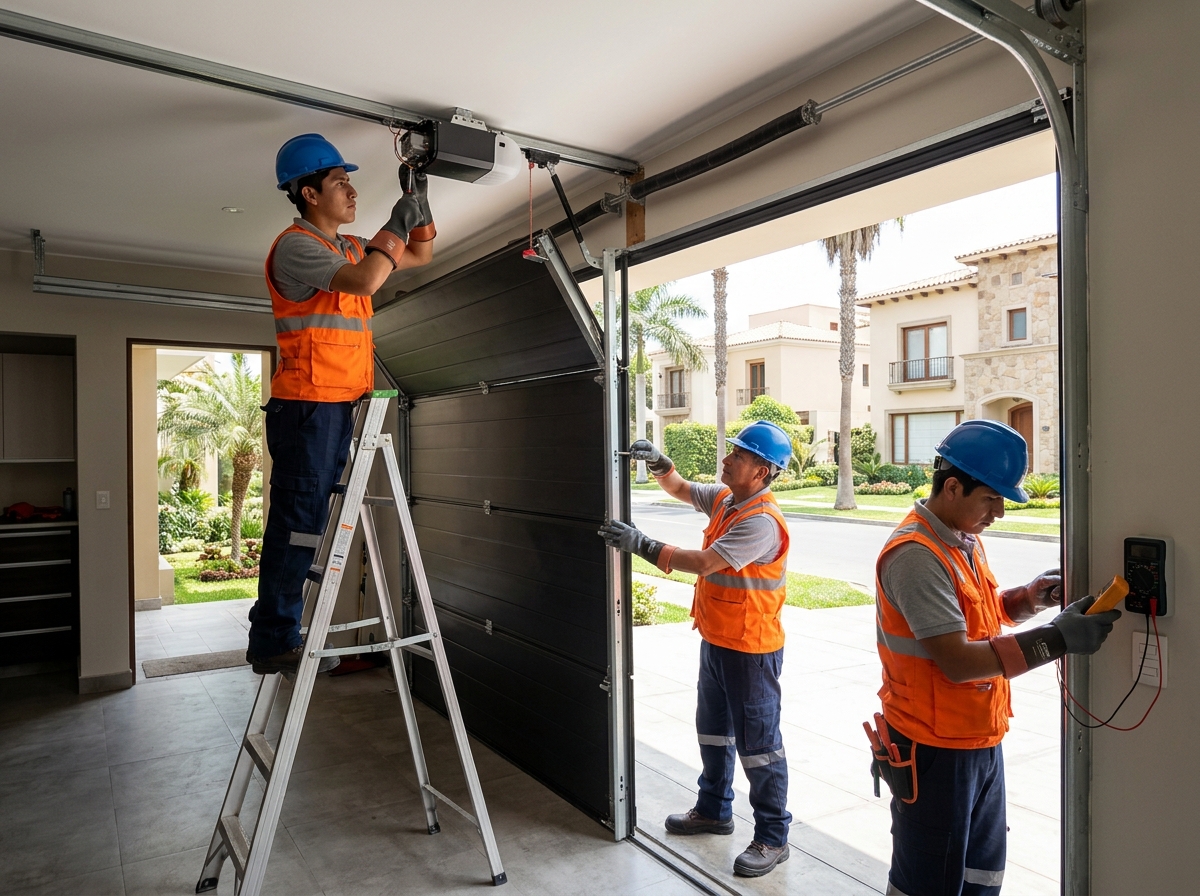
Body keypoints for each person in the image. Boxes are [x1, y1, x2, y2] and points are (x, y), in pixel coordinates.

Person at [871, 420, 1120, 895]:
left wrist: (1029, 598)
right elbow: (958, 660)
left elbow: (977, 617)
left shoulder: (960, 538)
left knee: (981, 874)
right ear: (952, 487)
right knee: (928, 881)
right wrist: (1057, 639)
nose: (1000, 512)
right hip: (932, 747)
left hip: (976, 737)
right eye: (991, 498)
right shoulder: (916, 555)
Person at [245, 133, 436, 675]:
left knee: (309, 520)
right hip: (307, 407)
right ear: (308, 194)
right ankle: (272, 639)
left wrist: (419, 206)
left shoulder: (350, 246)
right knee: (298, 523)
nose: (352, 191)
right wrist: (396, 221)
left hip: (337, 404)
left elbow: (421, 253)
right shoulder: (296, 246)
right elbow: (368, 280)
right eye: (339, 182)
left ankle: (281, 630)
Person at [599, 421, 794, 878]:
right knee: (713, 731)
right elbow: (682, 489)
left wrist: (642, 545)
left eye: (738, 456)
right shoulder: (728, 499)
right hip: (718, 640)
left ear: (762, 472)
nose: (726, 459)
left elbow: (705, 563)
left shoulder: (762, 522)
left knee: (760, 748)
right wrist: (659, 463)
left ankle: (773, 837)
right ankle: (713, 810)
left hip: (752, 650)